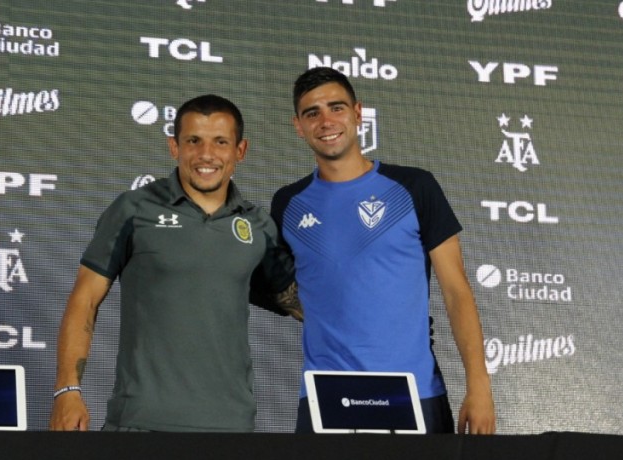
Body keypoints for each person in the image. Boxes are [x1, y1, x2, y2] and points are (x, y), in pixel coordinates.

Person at [50, 94, 301, 432]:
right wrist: (67, 389)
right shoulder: (134, 209)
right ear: (174, 147)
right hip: (142, 423)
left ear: (240, 151)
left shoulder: (258, 225)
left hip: (231, 426)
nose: (206, 155)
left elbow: (303, 305)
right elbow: (85, 299)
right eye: (193, 141)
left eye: (220, 142)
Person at [271, 67, 496, 434]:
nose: (326, 121)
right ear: (298, 125)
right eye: (312, 113)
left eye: (336, 107)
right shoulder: (288, 204)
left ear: (358, 113)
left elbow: (457, 293)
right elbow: (296, 290)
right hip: (326, 398)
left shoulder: (413, 186)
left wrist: (480, 385)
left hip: (413, 393)